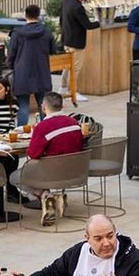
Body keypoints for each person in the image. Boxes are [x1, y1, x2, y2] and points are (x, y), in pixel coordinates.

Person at [21, 91, 83, 225]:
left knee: (18, 176)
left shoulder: (42, 127)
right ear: (62, 106)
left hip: (52, 174)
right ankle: (58, 197)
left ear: (43, 107)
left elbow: (33, 154)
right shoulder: (74, 123)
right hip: (76, 171)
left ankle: (45, 195)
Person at [6, 4, 58, 126]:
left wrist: (11, 66)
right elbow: (53, 51)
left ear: (25, 15)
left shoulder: (17, 33)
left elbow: (11, 53)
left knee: (23, 106)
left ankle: (20, 134)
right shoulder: (46, 32)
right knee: (44, 105)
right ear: (39, 15)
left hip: (22, 73)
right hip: (42, 73)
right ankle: (45, 131)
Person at [59, 0, 100, 101]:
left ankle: (63, 88)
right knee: (75, 68)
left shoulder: (67, 2)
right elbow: (88, 25)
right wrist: (101, 22)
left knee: (67, 66)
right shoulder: (78, 7)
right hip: (76, 42)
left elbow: (62, 21)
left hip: (67, 39)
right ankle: (73, 91)